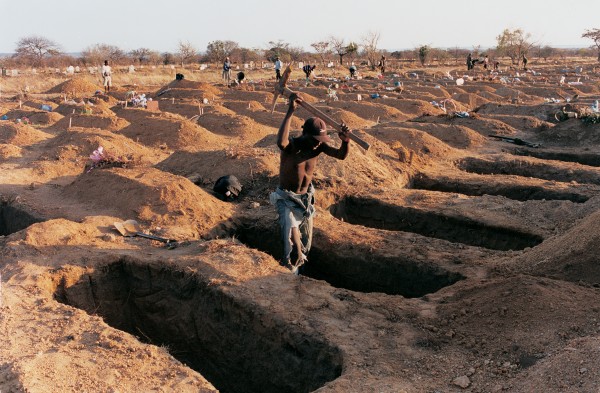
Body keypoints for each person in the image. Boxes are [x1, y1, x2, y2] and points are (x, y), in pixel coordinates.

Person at [270, 93, 351, 275]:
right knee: (291, 241)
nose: (317, 145)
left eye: (320, 141)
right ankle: (288, 274)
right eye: (315, 140)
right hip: (287, 198)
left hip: (306, 199)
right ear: (304, 134)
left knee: (305, 242)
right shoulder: (293, 146)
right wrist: (290, 111)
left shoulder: (319, 147)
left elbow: (341, 155)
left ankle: (301, 273)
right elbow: (280, 142)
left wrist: (345, 141)